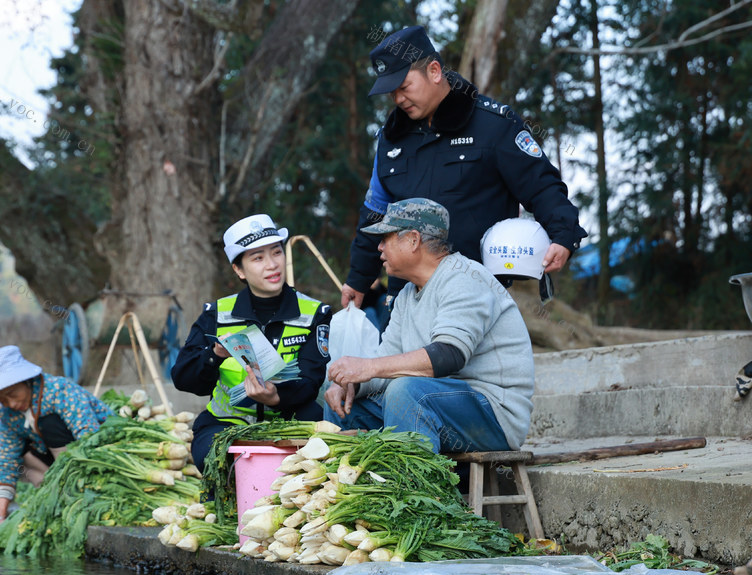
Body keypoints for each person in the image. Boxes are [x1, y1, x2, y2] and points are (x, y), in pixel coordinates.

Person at [341, 25, 587, 313]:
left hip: (476, 293)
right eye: (391, 92)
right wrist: (358, 279)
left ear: (434, 71)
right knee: (396, 359)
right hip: (405, 298)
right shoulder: (390, 139)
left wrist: (563, 235)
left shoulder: (495, 124)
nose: (397, 100)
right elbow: (374, 213)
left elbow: (541, 185)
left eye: (404, 87)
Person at [325, 198, 533, 455]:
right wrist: (351, 384)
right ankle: (351, 491)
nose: (378, 248)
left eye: (385, 238)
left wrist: (367, 367)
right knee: (342, 398)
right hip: (433, 401)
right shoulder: (406, 295)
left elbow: (449, 355)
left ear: (413, 240)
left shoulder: (465, 277)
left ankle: (418, 492)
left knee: (406, 391)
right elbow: (386, 360)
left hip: (493, 414)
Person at [172, 214, 333, 470]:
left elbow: (311, 380)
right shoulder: (216, 314)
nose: (272, 265)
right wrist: (215, 354)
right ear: (239, 269)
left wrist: (275, 398)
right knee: (213, 458)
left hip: (292, 420)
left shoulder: (314, 313)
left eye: (276, 252)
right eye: (258, 258)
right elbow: (184, 378)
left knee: (320, 456)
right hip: (227, 423)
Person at [0, 345, 111, 536]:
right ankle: (56, 489)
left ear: (27, 381)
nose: (11, 404)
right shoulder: (8, 415)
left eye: (14, 395)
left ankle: (78, 487)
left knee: (49, 422)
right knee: (15, 451)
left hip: (95, 456)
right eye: (2, 399)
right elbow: (5, 462)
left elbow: (89, 436)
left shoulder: (59, 390)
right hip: (57, 462)